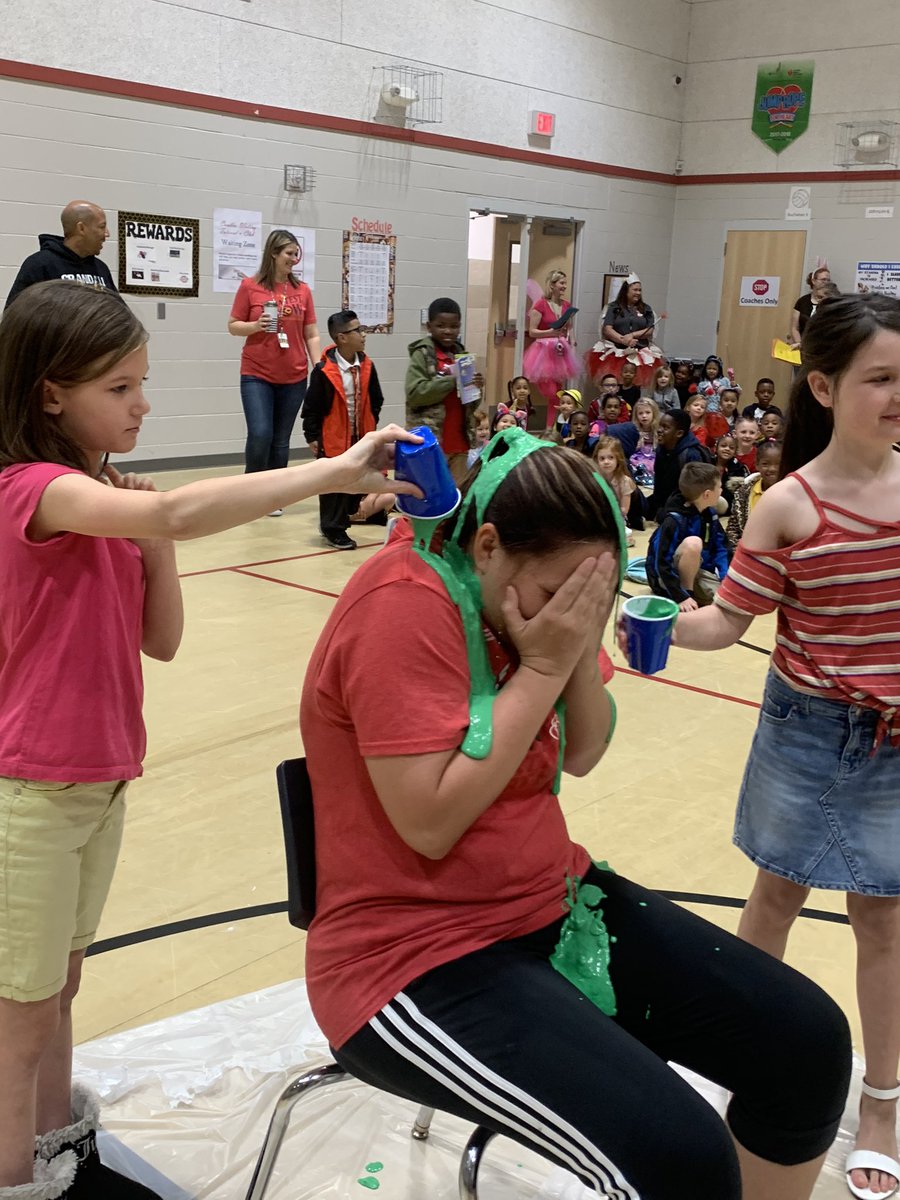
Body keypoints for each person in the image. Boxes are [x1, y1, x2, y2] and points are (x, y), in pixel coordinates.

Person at [301, 428, 851, 1200]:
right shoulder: (405, 601)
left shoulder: (546, 611)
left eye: (587, 593)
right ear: (486, 546)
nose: (568, 610)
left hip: (546, 907)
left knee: (808, 1045)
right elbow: (429, 821)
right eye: (559, 590)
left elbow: (584, 749)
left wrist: (575, 643)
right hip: (408, 962)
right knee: (679, 1157)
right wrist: (549, 666)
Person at [0, 281, 420, 1200]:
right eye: (121, 387)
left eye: (141, 382)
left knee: (59, 989)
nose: (142, 404)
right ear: (49, 395)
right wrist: (333, 469)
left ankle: (51, 1147)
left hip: (96, 781)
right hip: (28, 791)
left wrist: (150, 546)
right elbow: (179, 513)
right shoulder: (35, 490)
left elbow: (163, 639)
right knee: (19, 1017)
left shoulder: (104, 497)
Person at [672, 292, 900, 1200]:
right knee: (772, 899)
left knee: (882, 920)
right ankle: (746, 1063)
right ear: (825, 384)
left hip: (889, 748)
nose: (896, 396)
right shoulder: (786, 506)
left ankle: (881, 1103)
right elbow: (730, 623)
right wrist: (659, 626)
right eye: (880, 378)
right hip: (803, 735)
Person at [227, 229, 320, 504]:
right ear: (274, 254)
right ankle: (250, 493)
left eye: (296, 254)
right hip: (257, 373)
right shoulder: (249, 286)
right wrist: (255, 326)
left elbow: (311, 333)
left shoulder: (302, 291)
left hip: (294, 375)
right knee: (260, 433)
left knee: (280, 440)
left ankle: (274, 498)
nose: (294, 259)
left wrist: (319, 367)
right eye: (289, 254)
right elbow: (232, 325)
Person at [302, 310, 385, 551]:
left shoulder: (367, 366)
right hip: (333, 436)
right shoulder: (324, 370)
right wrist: (312, 435)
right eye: (357, 330)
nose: (363, 334)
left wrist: (370, 422)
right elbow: (312, 406)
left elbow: (376, 399)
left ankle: (349, 515)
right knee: (333, 485)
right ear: (342, 338)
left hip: (361, 435)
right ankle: (332, 529)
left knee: (356, 482)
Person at [405, 296, 484, 483]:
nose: (448, 331)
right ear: (429, 326)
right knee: (431, 494)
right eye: (441, 326)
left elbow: (469, 403)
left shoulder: (462, 354)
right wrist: (452, 380)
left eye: (454, 326)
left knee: (459, 496)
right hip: (430, 442)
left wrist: (476, 387)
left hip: (460, 442)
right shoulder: (422, 354)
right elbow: (415, 394)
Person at [646, 462, 730, 610]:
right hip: (665, 577)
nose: (722, 490)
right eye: (719, 487)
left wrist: (725, 577)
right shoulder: (673, 520)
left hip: (696, 570)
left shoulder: (710, 515)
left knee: (726, 599)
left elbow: (722, 547)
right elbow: (661, 563)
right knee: (694, 543)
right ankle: (687, 595)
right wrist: (681, 596)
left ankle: (691, 594)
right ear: (707, 494)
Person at [5, 201, 117, 310]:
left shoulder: (101, 269)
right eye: (102, 227)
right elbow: (13, 316)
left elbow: (120, 316)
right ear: (81, 228)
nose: (107, 234)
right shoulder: (40, 264)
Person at [587, 273, 663, 388]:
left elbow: (649, 330)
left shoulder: (646, 308)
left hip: (639, 352)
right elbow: (607, 329)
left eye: (640, 290)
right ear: (626, 290)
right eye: (635, 290)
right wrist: (623, 340)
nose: (638, 293)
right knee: (617, 385)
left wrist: (632, 335)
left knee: (634, 388)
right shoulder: (614, 307)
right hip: (617, 352)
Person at [523, 271, 580, 422]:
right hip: (543, 352)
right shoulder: (541, 304)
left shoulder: (566, 305)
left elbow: (569, 327)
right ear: (553, 285)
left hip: (560, 352)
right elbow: (532, 331)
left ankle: (552, 427)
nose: (564, 286)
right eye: (561, 283)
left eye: (565, 283)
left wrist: (572, 340)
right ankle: (551, 426)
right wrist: (550, 332)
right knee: (552, 393)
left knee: (559, 393)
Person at [648, 409, 707, 521]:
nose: (659, 430)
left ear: (679, 433)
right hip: (667, 498)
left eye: (665, 428)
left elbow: (694, 493)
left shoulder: (691, 455)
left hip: (686, 502)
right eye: (660, 425)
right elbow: (659, 482)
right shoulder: (662, 448)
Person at [724, 439, 782, 550]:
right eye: (765, 464)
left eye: (777, 464)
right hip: (747, 552)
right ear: (757, 465)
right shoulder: (744, 493)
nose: (772, 469)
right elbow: (733, 527)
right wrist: (738, 549)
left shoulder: (792, 493)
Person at [593, 436, 635, 545]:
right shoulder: (594, 479)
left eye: (611, 458)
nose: (606, 462)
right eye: (602, 459)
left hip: (616, 517)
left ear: (618, 459)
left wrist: (611, 511)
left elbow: (624, 509)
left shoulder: (624, 481)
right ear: (596, 460)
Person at [789, 264, 833, 350]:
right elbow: (795, 327)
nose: (826, 283)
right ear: (813, 281)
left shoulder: (832, 302)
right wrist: (800, 344)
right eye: (823, 280)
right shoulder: (802, 301)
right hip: (803, 348)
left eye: (828, 280)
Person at [715, 432, 750, 515]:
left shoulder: (739, 468)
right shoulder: (707, 462)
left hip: (729, 508)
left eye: (731, 448)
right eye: (723, 446)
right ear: (716, 448)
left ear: (735, 452)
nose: (727, 449)